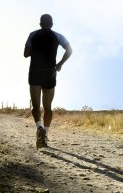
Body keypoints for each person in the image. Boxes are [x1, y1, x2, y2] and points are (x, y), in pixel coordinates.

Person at [24, 14, 72, 148]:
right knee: (48, 107)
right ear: (52, 24)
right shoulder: (58, 36)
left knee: (35, 106)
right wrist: (60, 64)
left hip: (35, 73)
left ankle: (39, 128)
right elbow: (69, 50)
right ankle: (45, 135)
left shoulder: (32, 35)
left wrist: (36, 50)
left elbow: (26, 54)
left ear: (40, 23)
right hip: (50, 73)